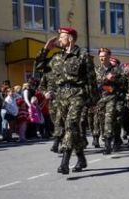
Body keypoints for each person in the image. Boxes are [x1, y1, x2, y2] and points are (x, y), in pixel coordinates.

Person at [35, 27, 97, 174]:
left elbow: (91, 80)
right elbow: (39, 66)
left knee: (70, 125)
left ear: (70, 38)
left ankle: (64, 163)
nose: (58, 40)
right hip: (61, 95)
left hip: (77, 93)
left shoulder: (83, 56)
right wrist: (45, 50)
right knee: (71, 129)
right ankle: (81, 158)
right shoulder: (57, 57)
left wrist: (94, 102)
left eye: (61, 37)